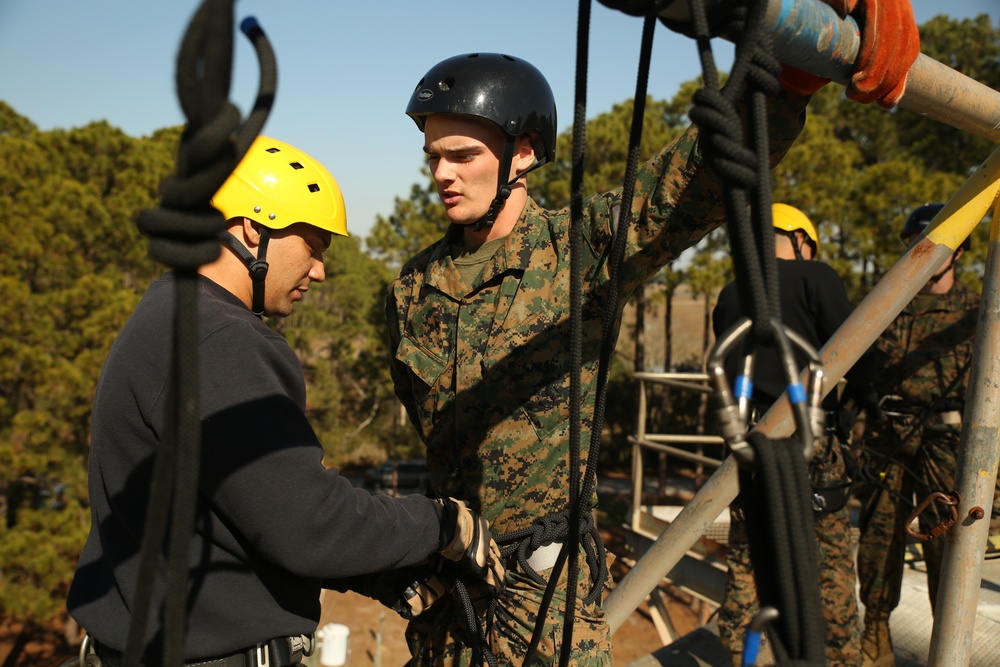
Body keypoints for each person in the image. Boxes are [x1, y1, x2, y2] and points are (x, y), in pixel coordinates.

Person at [382, 50, 811, 667]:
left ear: (523, 152)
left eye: (464, 156)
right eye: (435, 157)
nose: (443, 174)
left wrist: (790, 78)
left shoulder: (580, 249)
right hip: (448, 588)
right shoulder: (414, 286)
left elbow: (691, 179)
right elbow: (426, 422)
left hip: (543, 592)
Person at [66, 136, 501, 667]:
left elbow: (241, 512)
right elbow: (309, 525)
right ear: (253, 228)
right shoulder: (221, 340)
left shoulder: (170, 314)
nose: (319, 271)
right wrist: (441, 524)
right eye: (314, 246)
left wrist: (378, 571)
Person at [711, 203, 863, 666]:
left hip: (751, 454)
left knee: (748, 572)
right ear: (802, 241)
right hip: (811, 454)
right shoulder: (816, 277)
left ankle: (743, 656)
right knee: (829, 580)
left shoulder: (731, 293)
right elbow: (857, 347)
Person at [854, 202, 980, 667]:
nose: (927, 252)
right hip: (886, 438)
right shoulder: (884, 302)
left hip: (946, 444)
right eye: (919, 243)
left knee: (949, 549)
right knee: (878, 541)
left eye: (939, 244)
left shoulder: (976, 310)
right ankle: (874, 637)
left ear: (959, 249)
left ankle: (949, 647)